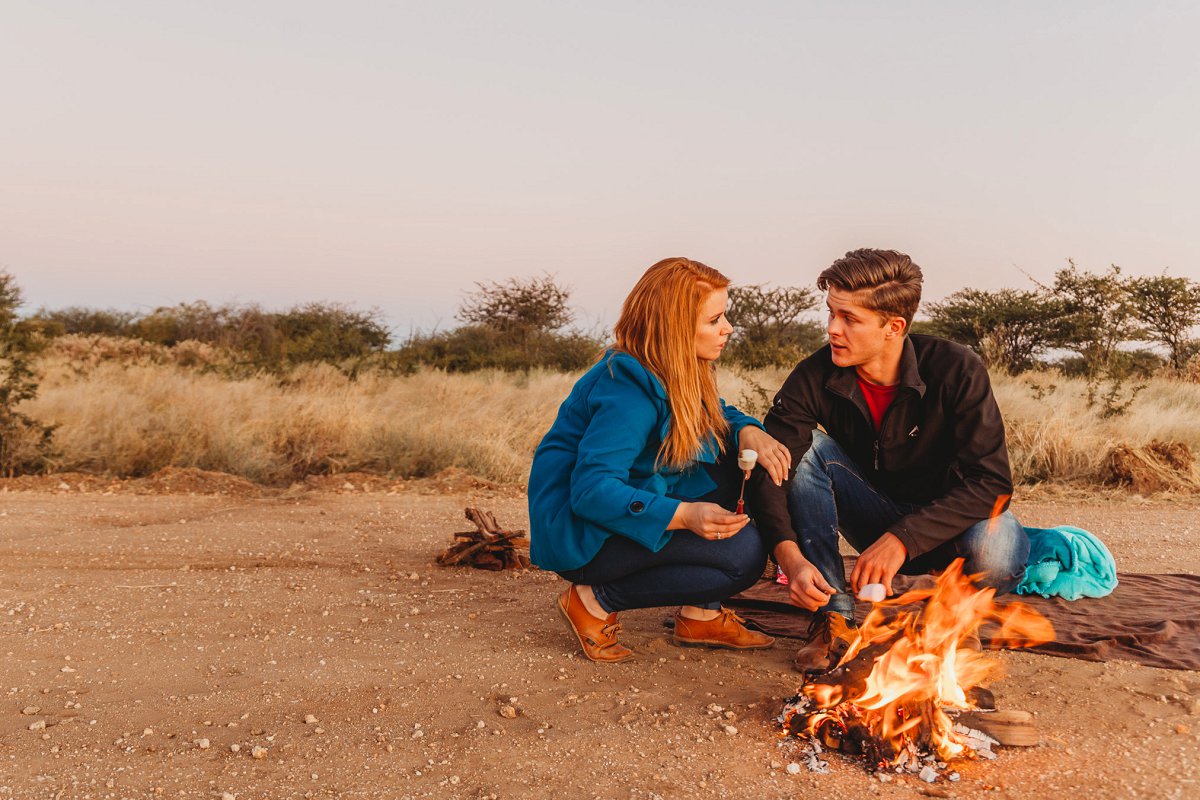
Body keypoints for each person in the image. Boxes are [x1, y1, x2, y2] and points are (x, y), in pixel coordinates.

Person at [748, 248, 1029, 673]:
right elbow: (773, 472)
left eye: (849, 319)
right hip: (872, 513)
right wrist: (788, 557)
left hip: (950, 526)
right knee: (803, 457)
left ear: (893, 327)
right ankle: (834, 618)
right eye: (831, 313)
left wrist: (902, 538)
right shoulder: (814, 375)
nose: (832, 330)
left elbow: (992, 483)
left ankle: (952, 618)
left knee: (998, 551)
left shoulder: (956, 369)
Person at [528, 257, 792, 663]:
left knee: (734, 464)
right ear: (675, 327)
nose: (728, 328)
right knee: (743, 556)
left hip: (623, 504)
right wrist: (686, 515)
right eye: (714, 320)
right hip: (581, 533)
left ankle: (700, 614)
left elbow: (714, 413)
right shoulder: (627, 391)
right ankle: (593, 600)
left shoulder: (676, 369)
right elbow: (590, 492)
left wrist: (747, 429)